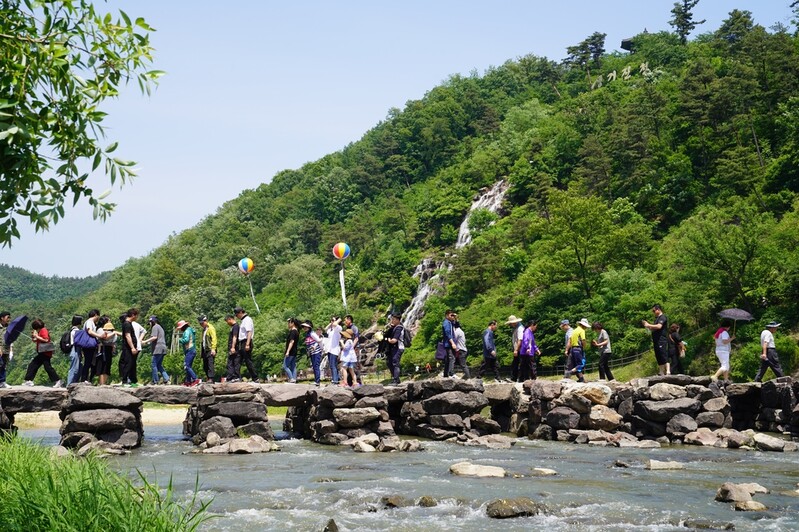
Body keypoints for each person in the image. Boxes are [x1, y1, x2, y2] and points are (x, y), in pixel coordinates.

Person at [23, 319, 62, 387]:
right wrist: (34, 337)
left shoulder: (43, 330)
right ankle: (28, 380)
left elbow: (46, 339)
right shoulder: (41, 330)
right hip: (42, 352)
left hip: (45, 352)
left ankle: (57, 380)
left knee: (47, 367)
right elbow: (37, 340)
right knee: (33, 365)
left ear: (37, 327)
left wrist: (37, 336)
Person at [643, 304, 669, 375]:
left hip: (661, 339)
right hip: (656, 340)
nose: (653, 312)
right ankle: (661, 371)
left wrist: (649, 325)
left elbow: (659, 326)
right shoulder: (656, 319)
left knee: (663, 354)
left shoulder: (663, 317)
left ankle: (668, 370)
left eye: (654, 310)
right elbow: (654, 328)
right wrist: (648, 326)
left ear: (658, 309)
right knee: (658, 355)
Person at [143, 316, 169, 385]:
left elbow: (154, 337)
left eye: (150, 322)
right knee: (159, 365)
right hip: (163, 347)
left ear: (153, 322)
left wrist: (145, 341)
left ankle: (155, 381)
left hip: (158, 348)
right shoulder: (160, 327)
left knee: (154, 364)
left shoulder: (155, 327)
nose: (150, 324)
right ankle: (166, 378)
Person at [235, 307, 258, 382]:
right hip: (241, 342)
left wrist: (247, 344)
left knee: (248, 360)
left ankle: (255, 377)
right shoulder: (243, 321)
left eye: (237, 314)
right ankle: (237, 377)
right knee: (238, 360)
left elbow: (249, 332)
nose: (237, 316)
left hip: (246, 341)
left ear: (241, 312)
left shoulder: (247, 320)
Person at [95, 316, 118, 385]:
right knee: (102, 367)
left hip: (109, 349)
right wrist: (114, 333)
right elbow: (105, 337)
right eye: (109, 321)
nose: (110, 322)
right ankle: (102, 383)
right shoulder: (100, 329)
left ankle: (104, 383)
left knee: (107, 367)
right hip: (103, 349)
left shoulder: (111, 331)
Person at [120, 308, 141, 386]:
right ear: (133, 315)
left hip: (132, 347)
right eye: (136, 316)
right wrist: (132, 347)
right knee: (128, 363)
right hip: (128, 348)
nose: (137, 317)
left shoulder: (130, 323)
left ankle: (133, 380)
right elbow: (128, 336)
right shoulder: (127, 324)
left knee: (132, 364)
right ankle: (125, 380)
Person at [81, 309, 102, 383]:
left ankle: (85, 379)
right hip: (88, 345)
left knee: (89, 362)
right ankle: (84, 379)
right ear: (96, 315)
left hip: (89, 345)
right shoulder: (89, 322)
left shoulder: (90, 322)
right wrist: (99, 335)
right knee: (87, 362)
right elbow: (90, 331)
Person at [177, 320, 200, 386]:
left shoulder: (187, 331)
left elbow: (186, 340)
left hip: (190, 350)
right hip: (192, 350)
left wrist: (180, 340)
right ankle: (188, 381)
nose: (180, 329)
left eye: (180, 328)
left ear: (183, 326)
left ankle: (195, 379)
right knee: (188, 366)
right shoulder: (190, 330)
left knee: (186, 366)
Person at [565, 318, 589, 382]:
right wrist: (584, 346)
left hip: (573, 349)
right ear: (583, 325)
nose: (586, 328)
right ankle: (570, 372)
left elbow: (570, 340)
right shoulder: (582, 330)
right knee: (581, 364)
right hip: (578, 349)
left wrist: (567, 350)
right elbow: (583, 340)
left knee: (576, 364)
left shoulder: (574, 330)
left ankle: (581, 379)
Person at [301, 321, 324, 386]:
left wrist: (320, 348)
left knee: (316, 366)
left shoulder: (312, 333)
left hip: (316, 352)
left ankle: (317, 381)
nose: (304, 328)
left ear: (309, 327)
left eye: (306, 327)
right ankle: (316, 380)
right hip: (312, 353)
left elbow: (319, 340)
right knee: (314, 366)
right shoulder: (307, 334)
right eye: (304, 327)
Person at [385, 313, 404, 385]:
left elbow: (394, 340)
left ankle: (396, 380)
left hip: (398, 347)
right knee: (389, 362)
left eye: (393, 319)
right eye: (391, 319)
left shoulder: (399, 327)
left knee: (395, 362)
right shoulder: (394, 327)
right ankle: (395, 379)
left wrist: (389, 339)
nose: (392, 320)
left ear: (398, 320)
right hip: (393, 349)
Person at [343, 315, 362, 386]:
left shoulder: (354, 328)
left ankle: (358, 382)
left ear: (349, 320)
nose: (344, 322)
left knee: (355, 365)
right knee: (348, 366)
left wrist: (352, 347)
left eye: (345, 320)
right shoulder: (347, 328)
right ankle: (350, 382)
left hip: (355, 348)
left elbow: (356, 339)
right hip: (349, 349)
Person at [198, 315, 217, 383]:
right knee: (205, 365)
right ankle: (209, 378)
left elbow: (214, 339)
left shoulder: (210, 328)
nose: (201, 324)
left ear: (206, 321)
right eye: (200, 323)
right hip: (205, 350)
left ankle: (211, 378)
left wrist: (213, 348)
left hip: (210, 349)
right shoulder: (204, 329)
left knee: (210, 364)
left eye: (202, 323)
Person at [66, 314, 83, 386]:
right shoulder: (76, 331)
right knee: (74, 368)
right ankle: (69, 384)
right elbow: (77, 342)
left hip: (73, 349)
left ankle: (72, 383)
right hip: (75, 349)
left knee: (77, 366)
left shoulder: (72, 330)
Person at [325, 316, 342, 384]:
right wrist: (331, 322)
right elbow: (325, 329)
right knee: (332, 365)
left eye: (333, 320)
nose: (332, 321)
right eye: (331, 320)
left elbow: (335, 324)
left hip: (334, 350)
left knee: (333, 365)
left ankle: (335, 380)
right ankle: (336, 378)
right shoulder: (331, 330)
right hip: (329, 350)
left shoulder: (338, 328)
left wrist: (337, 320)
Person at [507, 315, 524, 382]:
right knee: (515, 363)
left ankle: (519, 378)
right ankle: (514, 378)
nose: (510, 325)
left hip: (520, 349)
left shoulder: (520, 328)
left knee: (520, 364)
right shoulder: (516, 328)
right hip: (518, 348)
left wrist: (516, 350)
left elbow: (520, 340)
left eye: (510, 323)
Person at [224, 314, 240, 381]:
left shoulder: (236, 326)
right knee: (230, 363)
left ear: (230, 319)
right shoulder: (233, 327)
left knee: (234, 362)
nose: (227, 323)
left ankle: (235, 376)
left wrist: (233, 347)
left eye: (227, 321)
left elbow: (235, 337)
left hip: (234, 348)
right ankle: (231, 377)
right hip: (231, 348)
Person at [441, 310, 457, 378]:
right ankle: (451, 373)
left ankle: (445, 374)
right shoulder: (446, 323)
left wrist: (455, 317)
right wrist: (452, 343)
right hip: (449, 343)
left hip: (449, 343)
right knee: (452, 358)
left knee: (448, 359)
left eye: (453, 315)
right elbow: (448, 334)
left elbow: (457, 325)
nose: (452, 316)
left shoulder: (450, 323)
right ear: (447, 315)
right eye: (451, 315)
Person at [283, 318, 299, 383]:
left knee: (285, 366)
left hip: (291, 352)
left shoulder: (293, 332)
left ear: (292, 323)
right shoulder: (297, 331)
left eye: (289, 322)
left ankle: (291, 378)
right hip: (294, 351)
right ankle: (294, 379)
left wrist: (287, 351)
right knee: (293, 366)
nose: (288, 324)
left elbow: (291, 342)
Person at [0, 311, 10, 388]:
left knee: (4, 365)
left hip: (6, 348)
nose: (9, 319)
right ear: (2, 318)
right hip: (0, 348)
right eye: (7, 317)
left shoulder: (8, 327)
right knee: (1, 364)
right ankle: (2, 381)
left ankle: (2, 382)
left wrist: (11, 349)